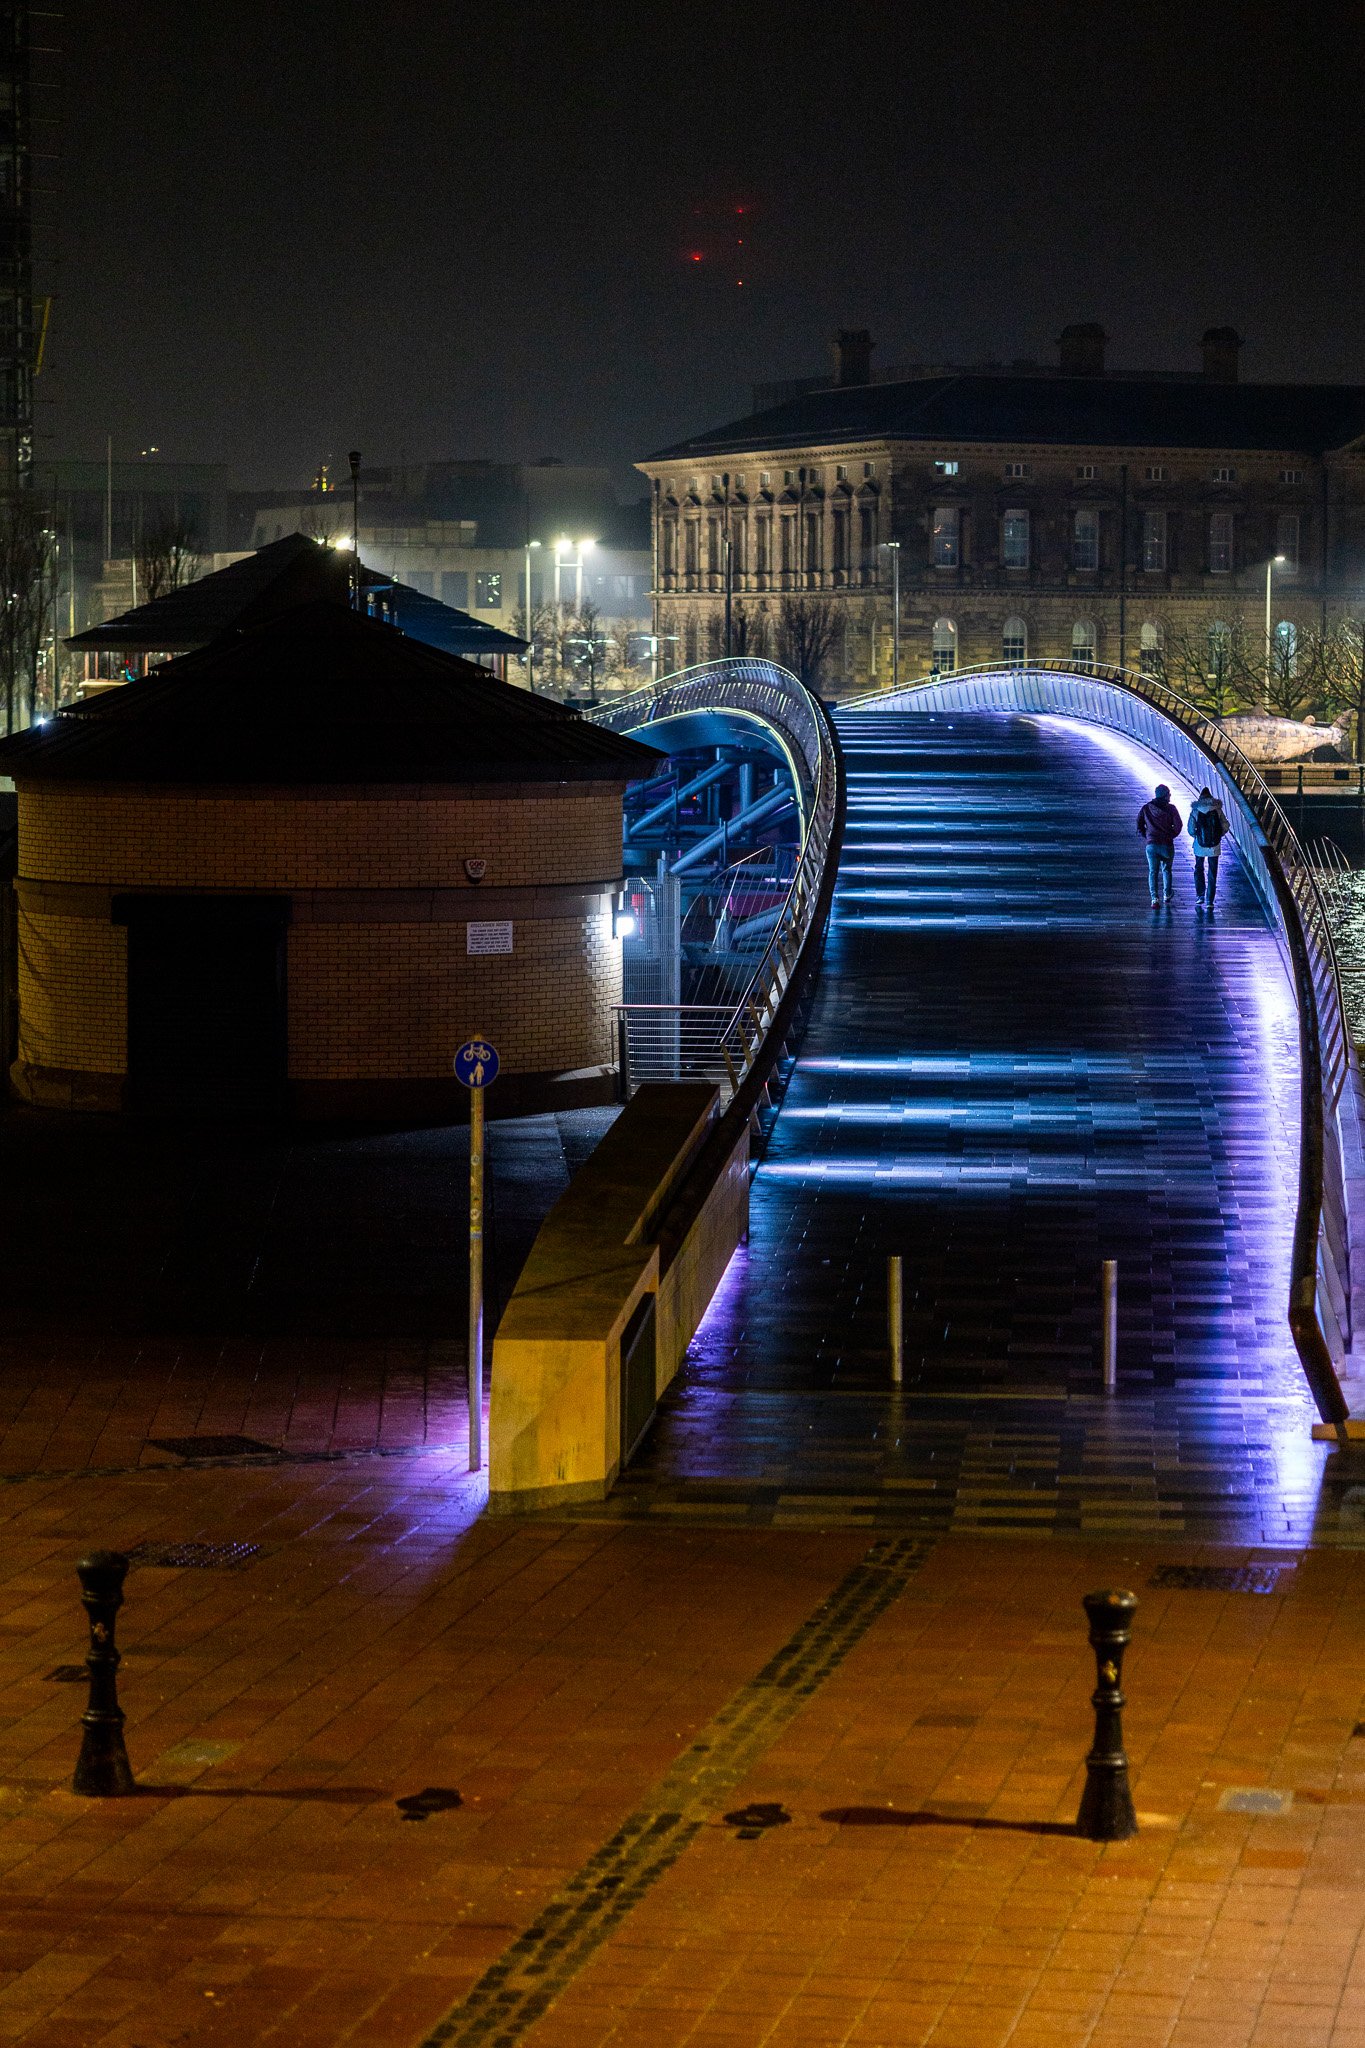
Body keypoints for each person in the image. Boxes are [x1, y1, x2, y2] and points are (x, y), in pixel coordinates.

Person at [1136, 783, 1183, 907]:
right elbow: (1178, 825)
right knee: (1167, 870)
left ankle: (1154, 898)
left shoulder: (1146, 808)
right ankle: (1167, 894)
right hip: (1166, 844)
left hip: (1151, 844)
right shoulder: (1171, 809)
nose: (1170, 796)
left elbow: (1139, 824)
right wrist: (1171, 835)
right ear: (1165, 795)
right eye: (1169, 794)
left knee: (1153, 871)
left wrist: (1147, 836)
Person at [1188, 785, 1230, 909]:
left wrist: (1196, 836)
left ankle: (1200, 895)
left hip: (1199, 845)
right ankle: (1210, 900)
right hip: (1214, 845)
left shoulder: (1196, 810)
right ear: (1211, 798)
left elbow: (1190, 829)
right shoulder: (1217, 810)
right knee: (1212, 872)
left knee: (1199, 868)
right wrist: (1219, 834)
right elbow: (1226, 825)